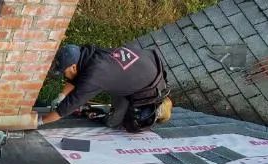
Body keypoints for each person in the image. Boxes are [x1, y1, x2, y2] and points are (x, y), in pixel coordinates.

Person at [39, 43, 173, 132]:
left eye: (63, 71)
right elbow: (74, 79)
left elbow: (66, 108)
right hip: (144, 64)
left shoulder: (95, 75)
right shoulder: (88, 53)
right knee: (113, 83)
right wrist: (61, 96)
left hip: (148, 85)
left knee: (113, 122)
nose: (63, 75)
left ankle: (159, 107)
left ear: (74, 66)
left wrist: (39, 122)